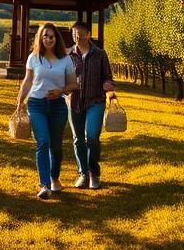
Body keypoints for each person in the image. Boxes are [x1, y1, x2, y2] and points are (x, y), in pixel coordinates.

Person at [14, 22, 78, 199]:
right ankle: (44, 185)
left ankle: (54, 177)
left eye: (51, 36)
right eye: (45, 36)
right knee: (42, 141)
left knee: (56, 147)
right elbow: (28, 81)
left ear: (56, 38)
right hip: (36, 104)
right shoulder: (33, 57)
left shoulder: (65, 59)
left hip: (58, 106)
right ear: (40, 39)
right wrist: (20, 101)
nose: (48, 39)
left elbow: (73, 84)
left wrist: (60, 91)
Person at [66, 20, 115, 189]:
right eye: (73, 34)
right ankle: (83, 173)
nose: (76, 37)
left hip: (96, 101)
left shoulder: (100, 54)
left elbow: (108, 76)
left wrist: (108, 84)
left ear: (88, 34)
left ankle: (94, 172)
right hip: (75, 102)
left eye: (79, 34)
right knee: (78, 139)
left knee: (92, 137)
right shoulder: (68, 55)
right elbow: (62, 78)